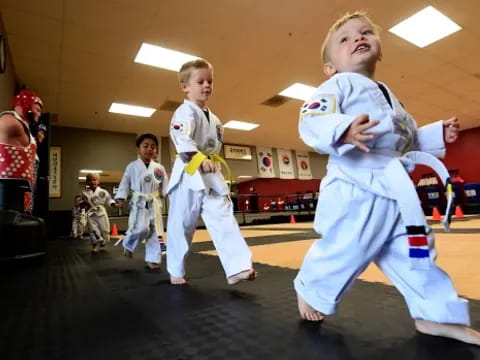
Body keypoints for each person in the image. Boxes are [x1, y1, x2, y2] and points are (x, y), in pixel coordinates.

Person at [294, 11, 480, 345]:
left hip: (399, 193)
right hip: (356, 188)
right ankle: (311, 287)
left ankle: (435, 314)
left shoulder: (394, 101)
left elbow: (404, 141)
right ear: (329, 66)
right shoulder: (335, 85)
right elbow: (312, 119)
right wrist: (343, 129)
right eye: (345, 38)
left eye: (365, 32)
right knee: (346, 249)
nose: (358, 38)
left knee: (419, 253)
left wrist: (437, 133)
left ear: (380, 50)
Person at [167, 59, 257, 285]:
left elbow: (214, 148)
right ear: (185, 87)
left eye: (210, 81)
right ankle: (175, 271)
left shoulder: (215, 120)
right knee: (182, 224)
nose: (206, 85)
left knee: (223, 216)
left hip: (209, 173)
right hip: (188, 173)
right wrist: (198, 158)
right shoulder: (184, 111)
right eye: (200, 81)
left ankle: (238, 267)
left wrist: (209, 161)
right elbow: (181, 139)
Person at [115, 134, 168, 270]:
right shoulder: (132, 166)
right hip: (139, 203)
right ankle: (129, 244)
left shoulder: (159, 168)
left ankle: (152, 260)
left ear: (156, 150)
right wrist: (120, 198)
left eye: (153, 147)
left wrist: (172, 197)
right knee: (141, 229)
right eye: (145, 146)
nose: (149, 149)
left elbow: (166, 186)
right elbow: (125, 183)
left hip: (155, 203)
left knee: (156, 232)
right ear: (138, 149)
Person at [0, 89, 43, 213]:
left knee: (23, 219)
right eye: (37, 109)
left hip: (24, 186)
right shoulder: (9, 121)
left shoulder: (24, 127)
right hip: (10, 185)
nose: (39, 114)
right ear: (26, 105)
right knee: (11, 223)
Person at [82, 173, 118, 252]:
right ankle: (94, 245)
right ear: (87, 182)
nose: (92, 182)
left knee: (105, 229)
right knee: (92, 230)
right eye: (90, 180)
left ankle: (103, 240)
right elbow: (84, 203)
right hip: (91, 212)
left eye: (94, 180)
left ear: (98, 181)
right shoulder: (85, 193)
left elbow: (109, 199)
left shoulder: (103, 191)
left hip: (101, 211)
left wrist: (113, 204)